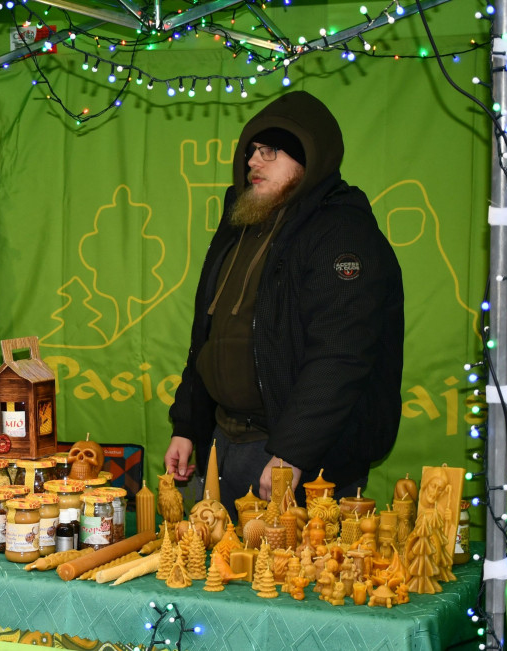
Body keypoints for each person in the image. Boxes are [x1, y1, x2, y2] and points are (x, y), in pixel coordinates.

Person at [164, 90, 404, 521]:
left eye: (270, 152)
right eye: (252, 151)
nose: (253, 161)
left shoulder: (341, 234)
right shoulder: (243, 223)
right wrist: (188, 426)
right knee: (218, 577)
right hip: (224, 442)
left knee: (289, 583)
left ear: (307, 159)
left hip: (296, 460)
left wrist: (292, 453)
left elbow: (340, 358)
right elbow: (210, 339)